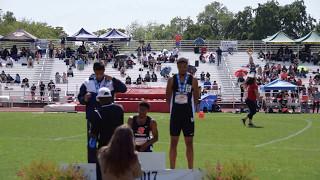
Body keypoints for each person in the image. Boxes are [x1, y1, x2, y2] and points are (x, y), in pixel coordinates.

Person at [78, 62, 127, 163]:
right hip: (93, 117)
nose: (99, 75)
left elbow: (124, 89)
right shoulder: (87, 82)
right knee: (92, 141)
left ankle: (111, 162)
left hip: (109, 118)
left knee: (110, 141)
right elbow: (80, 98)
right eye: (97, 72)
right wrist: (84, 99)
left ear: (104, 71)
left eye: (101, 72)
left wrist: (113, 78)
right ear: (94, 71)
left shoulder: (110, 82)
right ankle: (92, 164)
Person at [166, 57, 199, 169]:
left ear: (187, 66)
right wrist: (172, 110)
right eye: (180, 66)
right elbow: (168, 96)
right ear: (177, 66)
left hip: (188, 114)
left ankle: (190, 169)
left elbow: (196, 98)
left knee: (189, 143)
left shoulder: (193, 80)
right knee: (173, 142)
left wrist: (192, 111)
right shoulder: (171, 80)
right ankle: (172, 169)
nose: (182, 68)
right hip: (175, 114)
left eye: (184, 66)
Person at [90, 87, 124, 180]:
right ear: (110, 97)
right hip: (118, 146)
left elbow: (93, 134)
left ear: (99, 99)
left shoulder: (97, 113)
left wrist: (92, 147)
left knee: (102, 173)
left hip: (103, 147)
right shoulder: (119, 109)